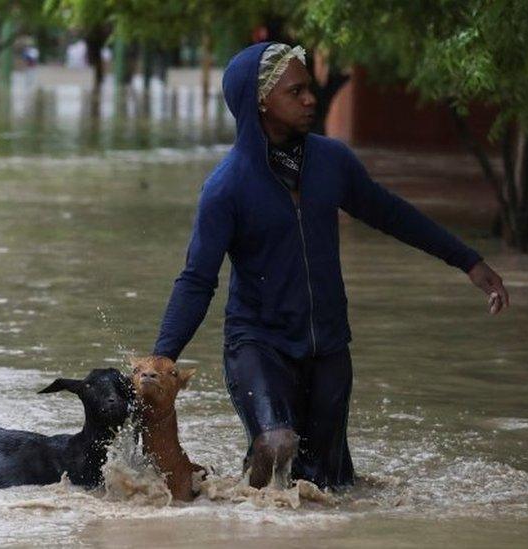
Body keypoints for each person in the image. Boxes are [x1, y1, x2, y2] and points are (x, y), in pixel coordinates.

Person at [149, 43, 509, 490]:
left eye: (309, 90)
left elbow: (392, 214)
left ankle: (254, 503)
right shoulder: (226, 188)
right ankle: (248, 510)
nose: (310, 100)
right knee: (277, 443)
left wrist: (468, 261)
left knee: (330, 486)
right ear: (260, 102)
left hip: (329, 348)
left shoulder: (332, 162)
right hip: (258, 344)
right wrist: (163, 356)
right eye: (295, 92)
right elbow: (198, 279)